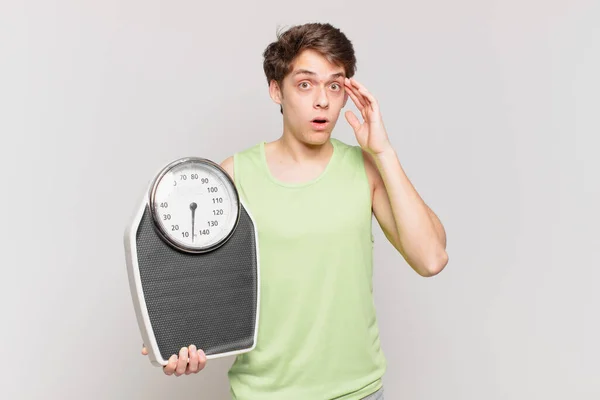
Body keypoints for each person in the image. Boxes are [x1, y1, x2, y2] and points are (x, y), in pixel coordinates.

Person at [142, 22, 448, 399]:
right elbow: (195, 280)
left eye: (334, 85)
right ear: (276, 90)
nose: (322, 101)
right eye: (305, 84)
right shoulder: (233, 176)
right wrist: (176, 338)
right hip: (265, 393)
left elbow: (431, 258)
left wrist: (383, 153)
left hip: (358, 392)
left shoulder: (366, 169)